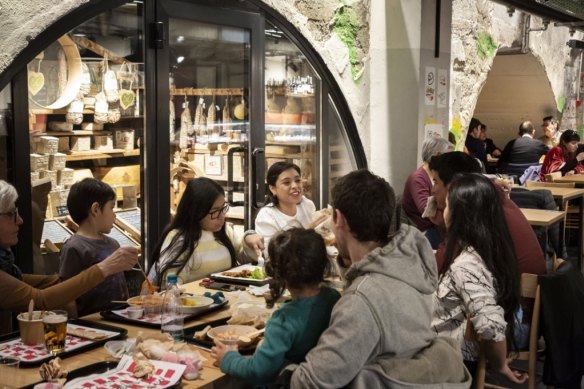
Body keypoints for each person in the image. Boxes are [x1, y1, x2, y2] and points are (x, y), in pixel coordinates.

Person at [290, 169, 470, 388]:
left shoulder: (361, 301)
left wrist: (283, 369)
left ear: (339, 219)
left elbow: (310, 382)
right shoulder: (409, 264)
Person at [0, 179, 139, 333]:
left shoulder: (7, 268)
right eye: (11, 214)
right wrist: (105, 267)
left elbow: (55, 282)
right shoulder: (75, 246)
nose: (20, 220)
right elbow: (41, 300)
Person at [210, 228, 340, 385]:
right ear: (323, 263)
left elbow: (258, 371)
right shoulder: (333, 297)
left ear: (279, 273)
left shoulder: (283, 320)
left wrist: (228, 358)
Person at [432, 173, 526, 384]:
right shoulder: (490, 250)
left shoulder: (467, 265)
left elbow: (490, 325)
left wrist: (500, 364)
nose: (444, 212)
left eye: (447, 206)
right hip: (453, 358)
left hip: (450, 366)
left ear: (461, 214)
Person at [429, 152, 546, 277]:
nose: (432, 190)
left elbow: (437, 267)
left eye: (435, 182)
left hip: (516, 290)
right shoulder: (493, 197)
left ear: (454, 185)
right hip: (533, 286)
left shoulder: (472, 209)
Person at [148, 177, 261, 287]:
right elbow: (172, 285)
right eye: (215, 211)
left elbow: (244, 258)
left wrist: (248, 239)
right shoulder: (180, 239)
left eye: (223, 208)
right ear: (196, 212)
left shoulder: (224, 232)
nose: (222, 216)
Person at [58, 178, 128, 316]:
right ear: (96, 209)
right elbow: (67, 295)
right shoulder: (74, 247)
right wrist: (75, 323)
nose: (114, 214)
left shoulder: (114, 243)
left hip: (121, 317)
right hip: (91, 324)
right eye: (111, 208)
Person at [254, 162, 324, 253]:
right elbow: (272, 255)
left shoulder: (307, 204)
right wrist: (307, 234)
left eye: (298, 180)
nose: (295, 186)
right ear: (273, 189)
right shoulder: (266, 217)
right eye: (287, 182)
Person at [402, 136, 454, 248]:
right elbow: (427, 210)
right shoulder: (417, 178)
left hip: (435, 227)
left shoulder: (436, 174)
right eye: (448, 157)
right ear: (437, 156)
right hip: (424, 230)